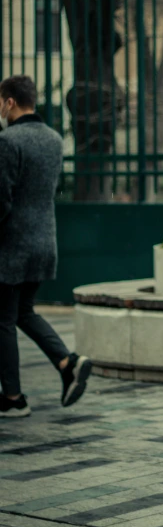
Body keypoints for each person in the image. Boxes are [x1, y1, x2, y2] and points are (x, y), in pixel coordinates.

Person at [0, 75, 92, 418]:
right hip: (43, 241)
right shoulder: (53, 139)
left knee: (3, 320)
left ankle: (12, 398)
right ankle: (67, 362)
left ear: (9, 102)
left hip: (11, 247)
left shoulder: (8, 141)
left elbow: (2, 200)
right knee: (23, 312)